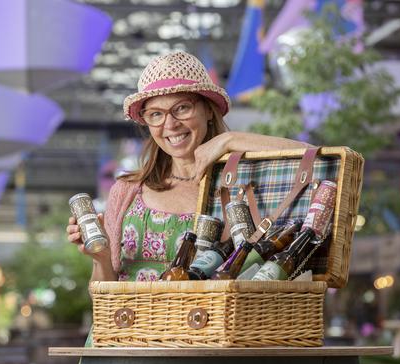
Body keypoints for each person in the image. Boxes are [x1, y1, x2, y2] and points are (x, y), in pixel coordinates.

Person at [66, 51, 310, 283]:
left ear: (208, 110)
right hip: (131, 325)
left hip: (205, 325)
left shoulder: (238, 189)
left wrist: (230, 140)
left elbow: (318, 159)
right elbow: (102, 297)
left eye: (182, 108)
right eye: (155, 114)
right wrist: (100, 258)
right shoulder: (127, 190)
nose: (170, 124)